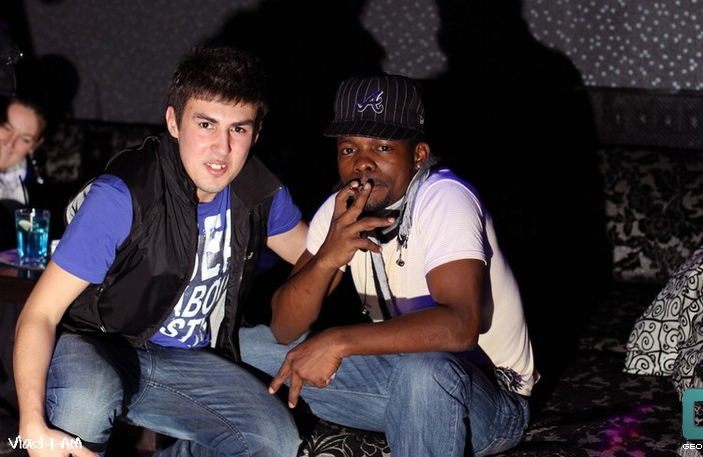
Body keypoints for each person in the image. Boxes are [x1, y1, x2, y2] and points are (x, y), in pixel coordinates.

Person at [13, 43, 307, 457]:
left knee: (275, 441)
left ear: (255, 133)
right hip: (101, 346)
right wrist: (30, 425)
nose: (221, 149)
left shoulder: (260, 192)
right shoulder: (124, 195)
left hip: (189, 362)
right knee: (83, 405)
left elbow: (313, 256)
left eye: (238, 129)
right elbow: (40, 313)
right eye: (206, 124)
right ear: (174, 121)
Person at [240, 73, 538, 456]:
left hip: (489, 397)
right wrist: (327, 257)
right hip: (398, 379)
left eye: (382, 147)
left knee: (424, 371)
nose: (362, 163)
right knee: (243, 347)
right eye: (349, 149)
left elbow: (460, 326)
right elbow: (284, 328)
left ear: (418, 155)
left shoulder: (445, 197)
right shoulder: (340, 208)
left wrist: (338, 341)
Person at [0, 95, 47, 249]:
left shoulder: (39, 190)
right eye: (6, 128)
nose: (9, 143)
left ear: (34, 146)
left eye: (25, 139)